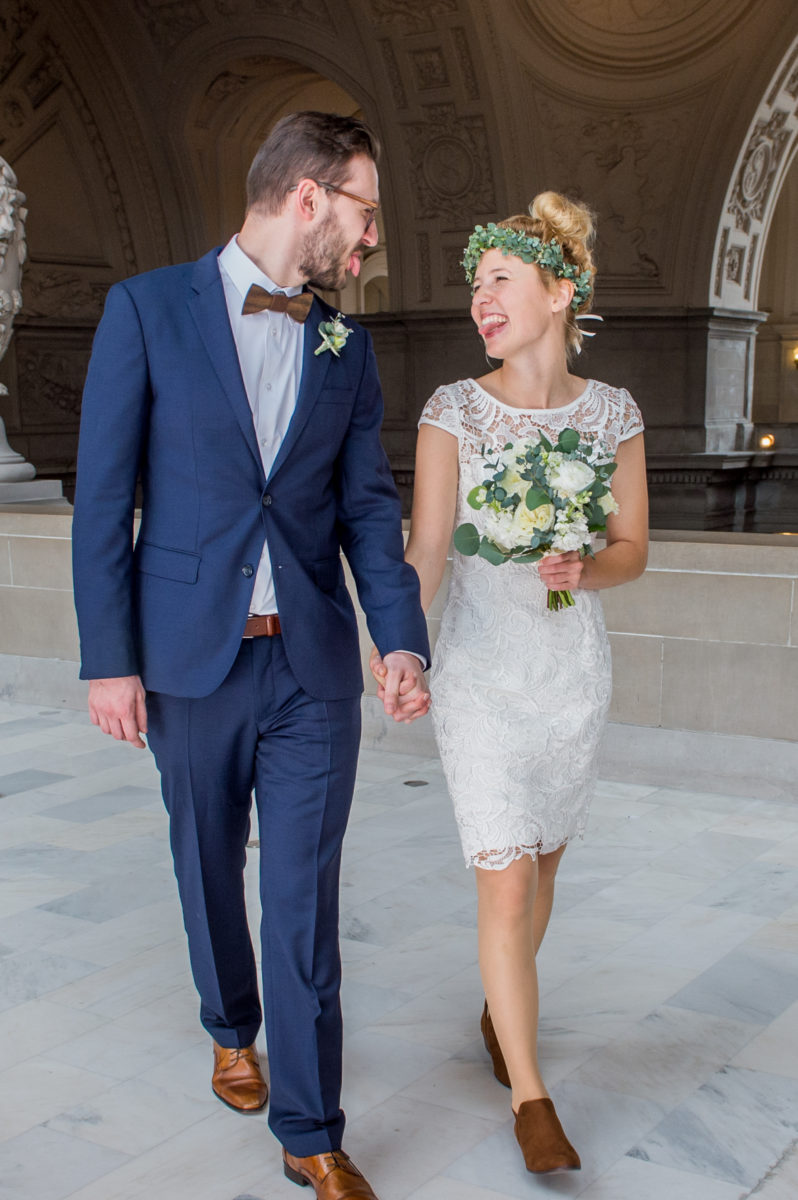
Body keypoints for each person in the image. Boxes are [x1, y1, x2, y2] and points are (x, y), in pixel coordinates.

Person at [72, 111, 430, 1200]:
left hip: (312, 668)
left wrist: (400, 636)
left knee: (304, 894)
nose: (369, 241)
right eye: (365, 213)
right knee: (205, 861)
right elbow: (103, 502)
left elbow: (368, 509)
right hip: (188, 659)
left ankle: (311, 1128)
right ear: (311, 198)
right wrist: (109, 659)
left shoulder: (347, 346)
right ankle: (230, 1024)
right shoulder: (145, 310)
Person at [372, 192, 648, 1175]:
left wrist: (586, 568)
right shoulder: (453, 408)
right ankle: (534, 1099)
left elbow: (633, 550)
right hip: (483, 676)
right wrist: (398, 639)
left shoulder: (613, 412)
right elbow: (430, 551)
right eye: (474, 285)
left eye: (498, 279)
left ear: (559, 288)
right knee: (504, 883)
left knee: (546, 874)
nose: (480, 298)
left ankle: (503, 1012)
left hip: (573, 676)